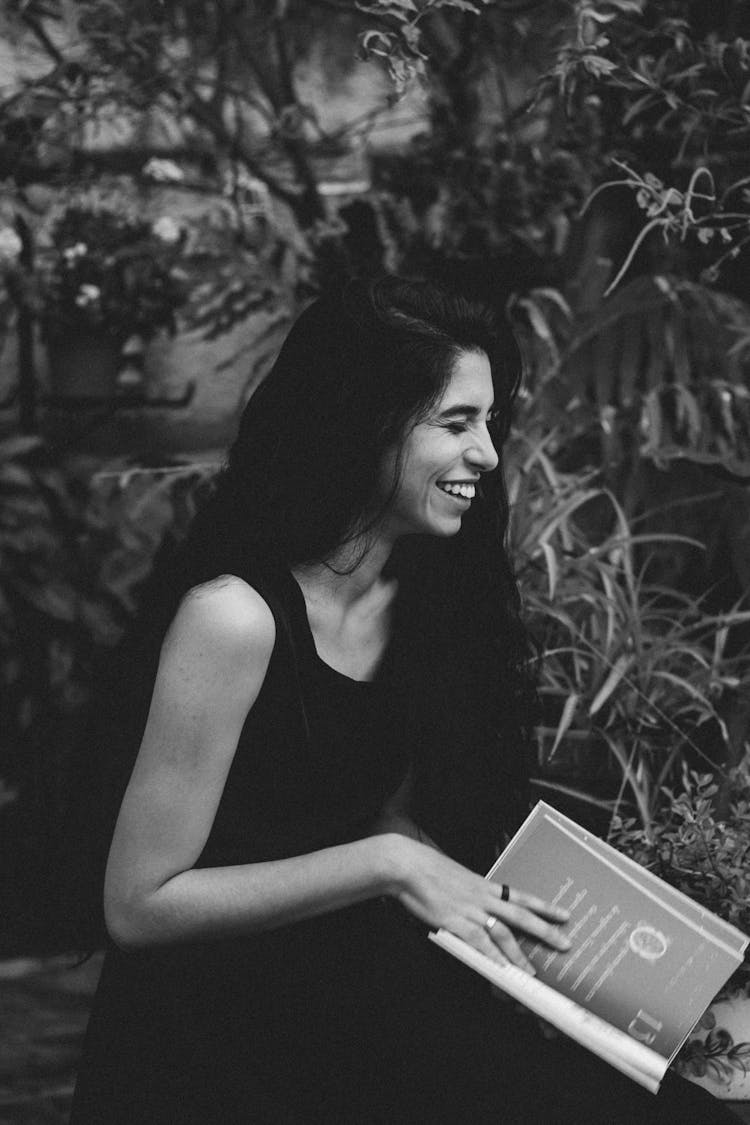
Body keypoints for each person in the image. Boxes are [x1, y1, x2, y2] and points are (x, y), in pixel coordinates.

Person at [70, 276, 737, 1123]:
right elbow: (138, 905)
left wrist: (510, 912)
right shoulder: (233, 619)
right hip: (221, 1028)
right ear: (365, 426)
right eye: (457, 424)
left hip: (350, 972)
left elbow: (356, 803)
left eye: (490, 422)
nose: (489, 455)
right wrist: (392, 865)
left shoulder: (419, 591)